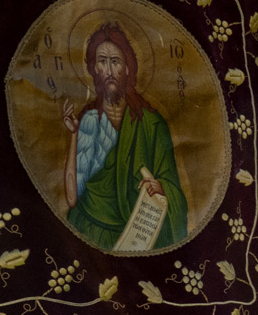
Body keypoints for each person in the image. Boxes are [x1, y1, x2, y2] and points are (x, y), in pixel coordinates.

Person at [61, 19, 186, 253]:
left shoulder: (151, 123)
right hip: (88, 230)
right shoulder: (87, 120)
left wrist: (161, 188)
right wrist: (74, 136)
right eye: (102, 62)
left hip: (136, 233)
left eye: (115, 62)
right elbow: (71, 198)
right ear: (93, 69)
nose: (109, 71)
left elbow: (172, 188)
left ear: (128, 68)